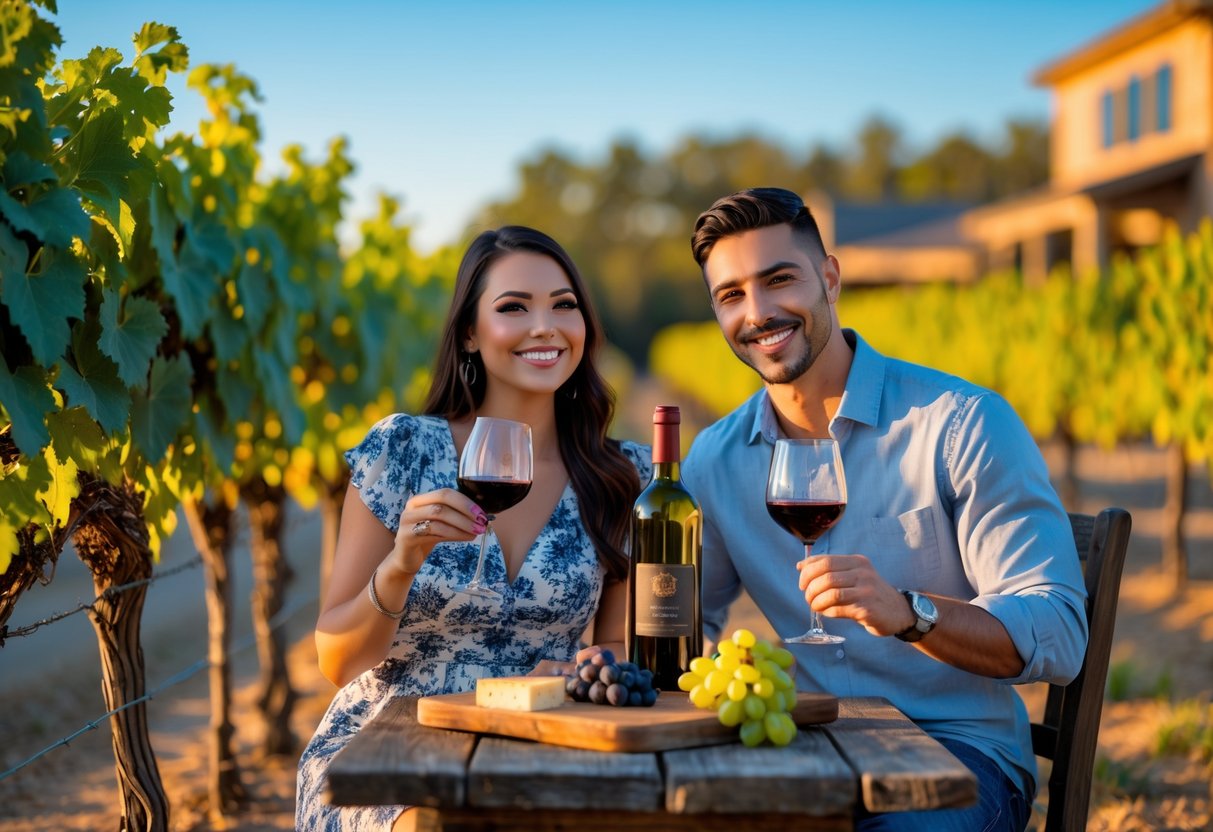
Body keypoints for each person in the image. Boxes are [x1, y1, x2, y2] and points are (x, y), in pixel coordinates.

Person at [680, 188, 1088, 832]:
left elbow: (1059, 636)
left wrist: (911, 614)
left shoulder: (961, 424)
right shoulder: (715, 460)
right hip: (802, 750)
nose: (757, 312)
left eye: (779, 279)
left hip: (955, 753)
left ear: (831, 278)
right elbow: (683, 621)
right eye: (730, 294)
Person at [296, 226, 650, 831]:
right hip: (392, 750)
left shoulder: (621, 474)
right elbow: (337, 661)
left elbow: (616, 645)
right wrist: (401, 563)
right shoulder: (403, 450)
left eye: (564, 306)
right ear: (468, 332)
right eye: (514, 307)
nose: (545, 326)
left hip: (545, 741)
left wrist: (581, 673)